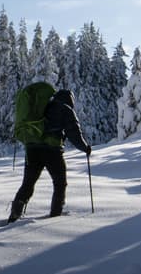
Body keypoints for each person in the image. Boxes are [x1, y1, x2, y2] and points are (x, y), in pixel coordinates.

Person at [10, 89, 92, 223]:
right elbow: (73, 132)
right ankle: (55, 217)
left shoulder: (43, 107)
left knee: (28, 183)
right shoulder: (65, 109)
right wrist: (85, 148)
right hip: (52, 151)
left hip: (32, 150)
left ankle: (14, 214)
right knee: (59, 183)